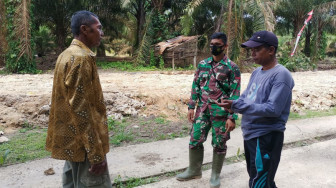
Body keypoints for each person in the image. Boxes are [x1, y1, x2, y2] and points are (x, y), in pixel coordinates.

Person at [215, 30, 295, 188]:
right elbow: (246, 97)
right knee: (260, 178)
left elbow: (273, 109)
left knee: (259, 181)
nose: (252, 53)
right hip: (251, 135)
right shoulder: (257, 72)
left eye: (257, 49)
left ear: (271, 50)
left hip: (266, 136)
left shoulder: (281, 75)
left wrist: (237, 105)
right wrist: (232, 103)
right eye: (251, 49)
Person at [46, 10, 112, 188]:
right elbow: (81, 110)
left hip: (72, 142)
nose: (101, 33)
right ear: (85, 29)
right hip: (84, 147)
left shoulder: (66, 55)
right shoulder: (81, 59)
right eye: (98, 28)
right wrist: (96, 155)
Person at [176, 32, 241, 188]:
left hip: (221, 113)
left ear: (225, 47)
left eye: (217, 45)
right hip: (202, 110)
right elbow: (196, 86)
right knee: (195, 139)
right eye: (212, 44)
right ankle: (194, 170)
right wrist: (191, 106)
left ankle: (215, 175)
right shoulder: (203, 64)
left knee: (219, 143)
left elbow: (235, 94)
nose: (213, 47)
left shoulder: (232, 68)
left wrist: (232, 116)